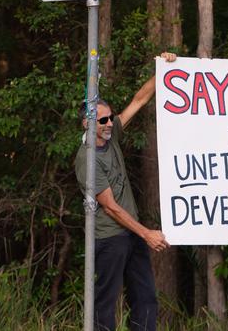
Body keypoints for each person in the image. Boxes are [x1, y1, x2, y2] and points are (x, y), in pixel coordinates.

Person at [74, 52, 176, 331]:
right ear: (88, 124)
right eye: (103, 121)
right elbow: (110, 207)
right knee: (105, 304)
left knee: (145, 298)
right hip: (110, 238)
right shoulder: (87, 159)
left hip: (132, 234)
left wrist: (164, 68)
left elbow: (139, 100)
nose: (110, 124)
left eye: (110, 118)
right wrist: (147, 233)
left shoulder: (111, 133)